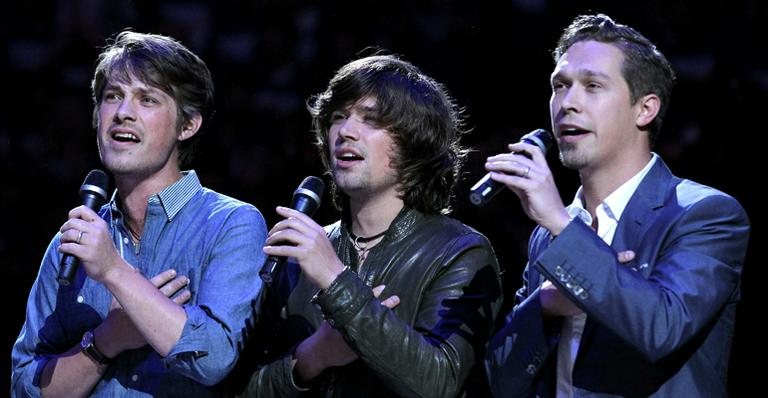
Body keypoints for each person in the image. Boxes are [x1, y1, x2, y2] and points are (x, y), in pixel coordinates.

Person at [484, 14, 750, 397]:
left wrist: (561, 225)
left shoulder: (704, 214)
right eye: (560, 86)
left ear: (645, 109)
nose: (567, 103)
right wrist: (544, 304)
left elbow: (661, 328)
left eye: (593, 86)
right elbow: (501, 382)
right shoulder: (551, 233)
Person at [11, 31, 268, 397]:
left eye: (147, 99)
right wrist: (107, 340)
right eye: (112, 97)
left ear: (188, 124)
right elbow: (25, 386)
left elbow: (213, 359)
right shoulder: (75, 239)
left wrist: (114, 272)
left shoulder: (232, 224)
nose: (122, 113)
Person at [230, 54, 502, 397]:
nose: (345, 131)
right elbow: (240, 389)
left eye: (371, 120)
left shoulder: (460, 252)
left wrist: (335, 281)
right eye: (338, 117)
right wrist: (314, 357)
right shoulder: (298, 254)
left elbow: (438, 383)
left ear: (415, 142)